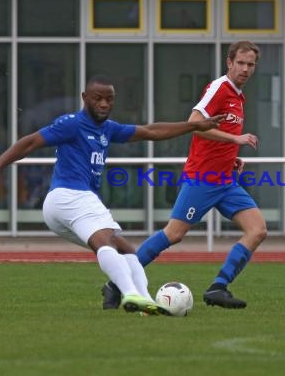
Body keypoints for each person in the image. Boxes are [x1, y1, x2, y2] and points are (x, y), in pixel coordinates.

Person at [0, 74, 224, 314]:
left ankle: (147, 303)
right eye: (97, 98)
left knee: (126, 251)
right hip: (70, 195)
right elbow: (30, 142)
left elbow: (151, 131)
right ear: (85, 97)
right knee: (106, 241)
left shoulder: (109, 129)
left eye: (109, 99)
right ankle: (130, 294)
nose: (104, 104)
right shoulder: (72, 123)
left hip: (63, 207)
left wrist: (192, 126)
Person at [102, 40, 267, 309]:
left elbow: (215, 134)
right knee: (174, 234)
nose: (245, 69)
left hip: (225, 181)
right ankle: (115, 284)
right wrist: (235, 141)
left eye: (250, 65)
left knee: (257, 230)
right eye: (240, 63)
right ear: (229, 63)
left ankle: (218, 287)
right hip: (202, 179)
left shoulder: (238, 95)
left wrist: (231, 156)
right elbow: (194, 124)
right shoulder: (219, 88)